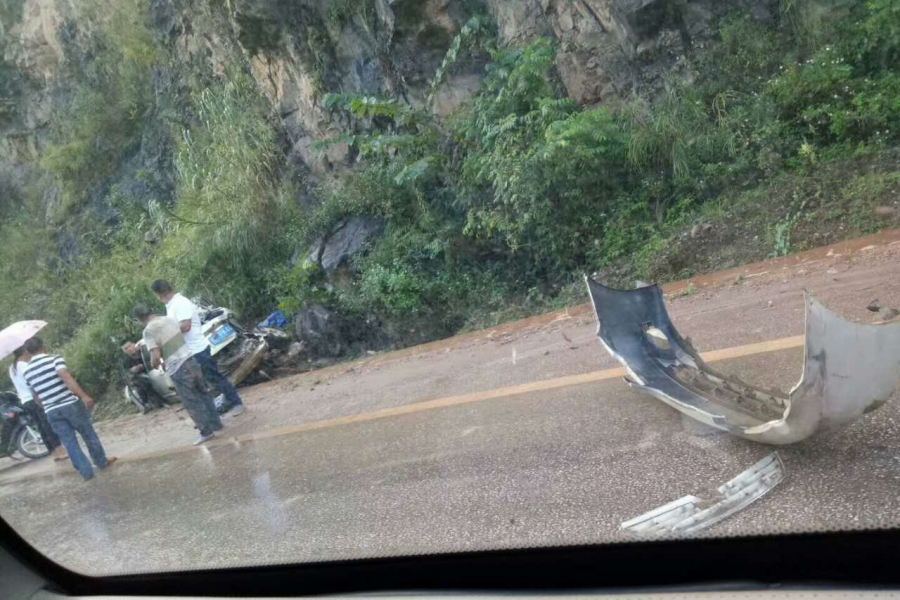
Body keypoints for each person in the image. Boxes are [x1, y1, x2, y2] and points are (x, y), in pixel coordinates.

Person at [21, 337, 116, 481]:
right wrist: (84, 396)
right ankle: (100, 461)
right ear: (43, 346)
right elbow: (66, 377)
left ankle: (86, 472)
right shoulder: (54, 359)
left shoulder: (27, 372)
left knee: (69, 442)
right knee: (88, 433)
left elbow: (35, 395)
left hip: (51, 411)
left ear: (28, 352)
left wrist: (47, 405)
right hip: (69, 404)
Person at [150, 279, 245, 416]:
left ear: (159, 294)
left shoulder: (179, 303)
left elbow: (185, 326)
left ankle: (236, 402)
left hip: (198, 349)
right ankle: (219, 409)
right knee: (205, 383)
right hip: (189, 351)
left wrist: (167, 335)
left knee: (214, 378)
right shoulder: (171, 305)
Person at [133, 303, 223, 445]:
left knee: (191, 400)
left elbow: (155, 355)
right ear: (152, 310)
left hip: (177, 367)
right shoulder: (168, 319)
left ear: (139, 319)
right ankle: (216, 423)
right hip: (190, 359)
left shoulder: (148, 331)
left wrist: (154, 364)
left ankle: (206, 431)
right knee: (203, 393)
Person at [8, 346, 68, 461]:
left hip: (25, 401)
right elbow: (31, 383)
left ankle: (54, 453)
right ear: (25, 351)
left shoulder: (12, 368)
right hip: (34, 398)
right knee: (47, 425)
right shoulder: (24, 366)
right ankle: (61, 451)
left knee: (41, 426)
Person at [121, 341, 165, 410]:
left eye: (129, 346)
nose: (129, 349)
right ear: (125, 352)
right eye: (126, 349)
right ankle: (148, 403)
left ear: (134, 345)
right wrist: (136, 368)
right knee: (141, 381)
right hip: (141, 377)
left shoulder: (144, 351)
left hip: (155, 370)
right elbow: (130, 372)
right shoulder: (127, 360)